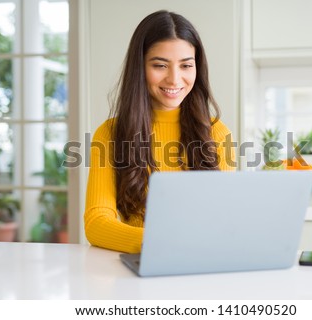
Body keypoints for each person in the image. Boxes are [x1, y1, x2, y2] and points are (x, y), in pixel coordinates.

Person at [84, 10, 235, 253]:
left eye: (186, 65)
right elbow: (97, 223)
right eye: (160, 65)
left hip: (201, 263)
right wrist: (159, 243)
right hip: (141, 264)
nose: (175, 79)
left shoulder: (217, 133)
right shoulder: (111, 133)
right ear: (140, 67)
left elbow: (226, 220)